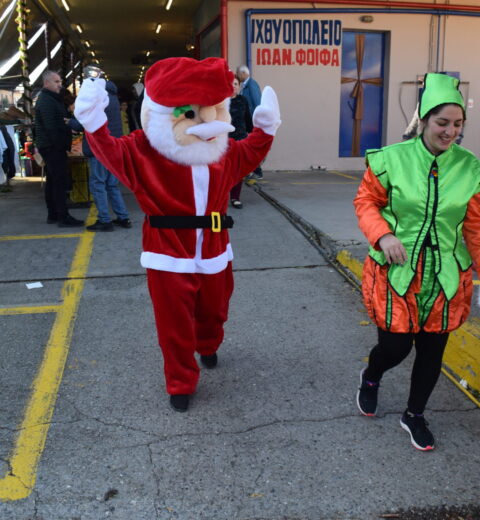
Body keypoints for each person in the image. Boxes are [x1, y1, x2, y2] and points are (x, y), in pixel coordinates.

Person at [74, 57, 280, 412]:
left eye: (214, 110)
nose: (205, 123)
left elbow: (249, 152)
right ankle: (181, 381)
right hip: (167, 251)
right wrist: (94, 126)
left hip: (215, 248)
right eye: (190, 113)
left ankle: (209, 342)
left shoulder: (223, 151)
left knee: (215, 311)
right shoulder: (144, 150)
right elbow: (111, 151)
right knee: (173, 323)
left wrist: (266, 130)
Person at [353, 72, 480, 451]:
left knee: (432, 351)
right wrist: (384, 234)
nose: (450, 132)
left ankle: (414, 414)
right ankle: (372, 375)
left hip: (446, 275)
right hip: (396, 270)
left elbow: (474, 225)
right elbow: (366, 202)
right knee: (395, 347)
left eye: (457, 124)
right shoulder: (391, 159)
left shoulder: (470, 168)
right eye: (442, 123)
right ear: (423, 120)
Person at [69, 75, 131, 231]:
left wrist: (70, 121)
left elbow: (83, 122)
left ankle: (104, 220)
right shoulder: (112, 96)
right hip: (114, 146)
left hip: (100, 147)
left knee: (98, 184)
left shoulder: (97, 98)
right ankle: (123, 217)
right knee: (112, 185)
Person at [34, 70, 83, 226]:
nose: (60, 85)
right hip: (51, 147)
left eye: (60, 81)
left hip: (50, 146)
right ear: (46, 83)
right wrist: (61, 146)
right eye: (56, 82)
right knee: (59, 181)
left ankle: (53, 214)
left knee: (53, 180)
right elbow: (50, 127)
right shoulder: (46, 100)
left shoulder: (51, 99)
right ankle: (63, 216)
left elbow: (56, 122)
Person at [228, 77, 253, 209]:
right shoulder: (221, 102)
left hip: (240, 140)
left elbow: (248, 119)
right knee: (224, 170)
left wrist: (251, 133)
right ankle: (219, 196)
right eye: (231, 84)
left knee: (238, 170)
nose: (234, 86)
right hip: (224, 141)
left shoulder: (243, 100)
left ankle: (235, 197)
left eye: (236, 84)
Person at [236, 65, 263, 179]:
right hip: (247, 123)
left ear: (243, 73)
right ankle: (252, 170)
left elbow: (257, 104)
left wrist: (254, 122)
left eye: (238, 73)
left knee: (251, 148)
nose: (237, 76)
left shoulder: (251, 85)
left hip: (252, 123)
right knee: (248, 148)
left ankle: (257, 171)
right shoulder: (245, 86)